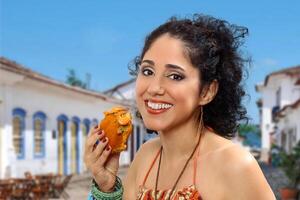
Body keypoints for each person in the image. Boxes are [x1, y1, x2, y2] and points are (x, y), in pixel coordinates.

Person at [84, 14, 276, 200]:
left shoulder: (234, 165)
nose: (154, 88)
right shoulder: (145, 155)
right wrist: (106, 187)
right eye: (148, 71)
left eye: (175, 76)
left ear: (207, 91)